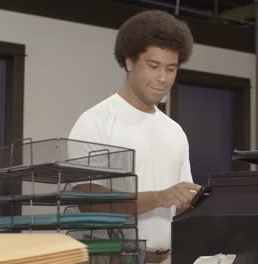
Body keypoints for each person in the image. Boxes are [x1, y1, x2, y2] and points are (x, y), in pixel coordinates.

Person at [68, 9, 201, 261]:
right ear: (129, 62)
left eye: (171, 69)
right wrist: (159, 197)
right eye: (153, 66)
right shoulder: (96, 122)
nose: (162, 78)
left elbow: (181, 205)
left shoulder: (175, 132)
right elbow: (89, 203)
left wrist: (191, 203)